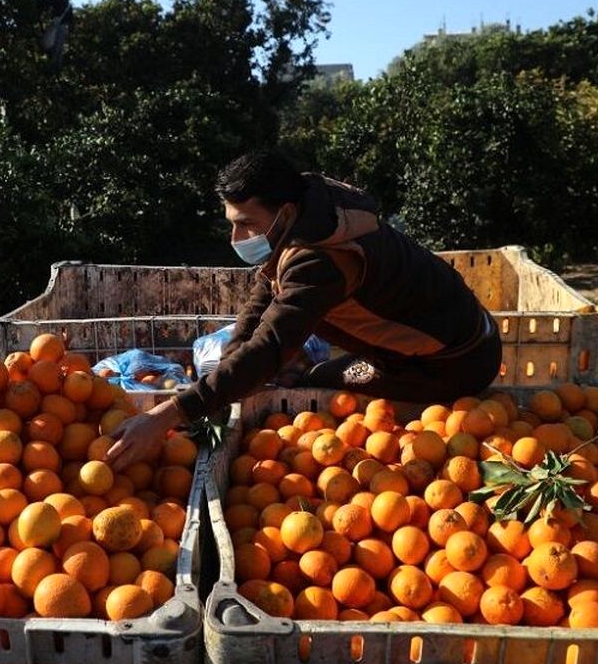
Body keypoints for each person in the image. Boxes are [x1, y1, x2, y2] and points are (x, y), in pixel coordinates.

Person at [106, 149, 502, 470]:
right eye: (231, 223)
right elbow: (263, 300)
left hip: (456, 362)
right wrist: (230, 370)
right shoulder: (311, 212)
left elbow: (271, 344)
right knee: (304, 376)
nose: (235, 237)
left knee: (325, 387)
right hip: (430, 342)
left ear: (286, 213)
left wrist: (166, 416)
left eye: (246, 224)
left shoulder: (321, 258)